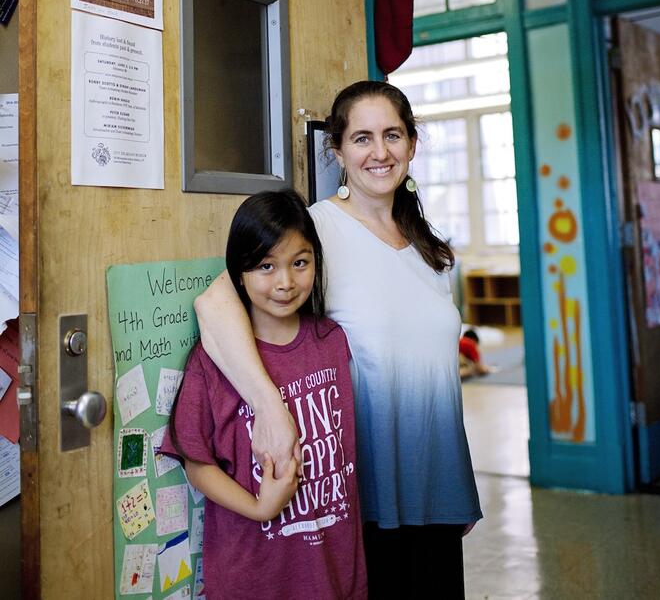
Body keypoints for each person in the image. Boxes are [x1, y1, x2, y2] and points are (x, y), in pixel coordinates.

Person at [195, 81, 482, 599]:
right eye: (362, 138)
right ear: (338, 150)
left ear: (412, 144)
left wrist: (454, 483)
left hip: (433, 486)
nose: (380, 152)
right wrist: (270, 408)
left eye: (393, 135)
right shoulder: (317, 231)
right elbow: (214, 303)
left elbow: (435, 371)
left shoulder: (427, 247)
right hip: (360, 496)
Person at [161, 190, 367, 600]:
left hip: (334, 570)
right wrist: (261, 507)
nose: (285, 282)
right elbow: (196, 464)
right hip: (254, 575)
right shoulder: (213, 360)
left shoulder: (332, 341)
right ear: (239, 273)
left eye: (300, 263)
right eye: (265, 266)